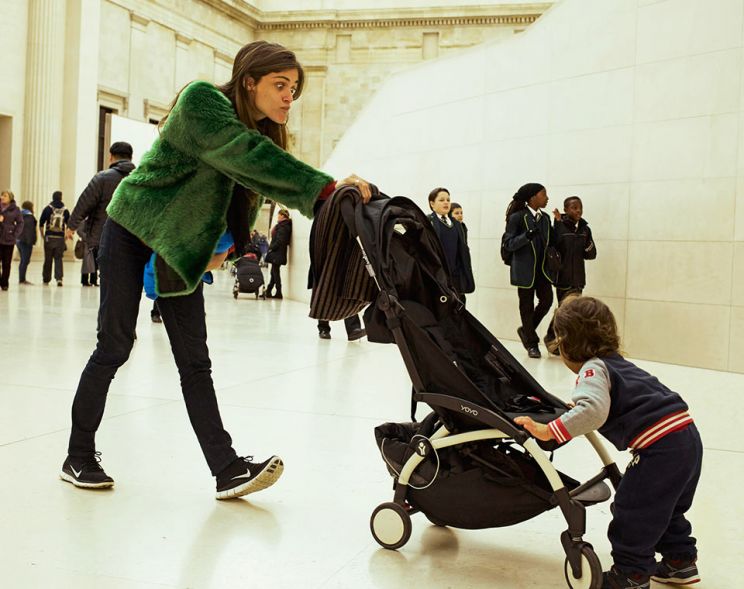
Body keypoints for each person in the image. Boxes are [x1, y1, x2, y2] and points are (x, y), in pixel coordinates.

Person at [60, 40, 372, 500]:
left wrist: (228, 248)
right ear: (249, 81)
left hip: (179, 246)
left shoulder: (261, 134)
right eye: (280, 85)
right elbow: (243, 154)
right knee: (115, 345)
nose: (290, 96)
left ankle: (226, 470)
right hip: (131, 229)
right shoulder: (203, 101)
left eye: (295, 88)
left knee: (195, 361)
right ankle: (78, 455)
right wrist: (326, 190)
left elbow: (247, 193)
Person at [514, 296, 702, 589]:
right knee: (665, 506)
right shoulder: (619, 365)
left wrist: (550, 430)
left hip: (660, 448)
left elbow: (593, 411)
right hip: (686, 438)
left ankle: (631, 574)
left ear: (565, 344)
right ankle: (680, 562)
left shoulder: (593, 369)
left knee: (633, 508)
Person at [67, 141, 136, 288]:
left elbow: (83, 203)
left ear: (110, 157)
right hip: (133, 241)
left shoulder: (102, 178)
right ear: (131, 157)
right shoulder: (138, 179)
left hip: (103, 239)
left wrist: (71, 226)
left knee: (109, 286)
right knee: (127, 285)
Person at [502, 182, 554, 358]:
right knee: (526, 306)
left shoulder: (546, 219)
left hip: (543, 270)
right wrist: (527, 236)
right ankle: (531, 343)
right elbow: (508, 244)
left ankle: (526, 330)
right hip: (524, 271)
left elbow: (552, 242)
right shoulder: (517, 217)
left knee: (547, 300)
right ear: (533, 197)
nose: (547, 198)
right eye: (544, 194)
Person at [544, 196, 597, 352]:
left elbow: (591, 254)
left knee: (567, 311)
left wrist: (586, 243)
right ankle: (552, 339)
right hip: (563, 278)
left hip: (579, 279)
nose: (578, 210)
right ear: (566, 209)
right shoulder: (560, 227)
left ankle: (554, 340)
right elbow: (553, 248)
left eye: (580, 207)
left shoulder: (585, 229)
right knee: (565, 311)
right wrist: (558, 223)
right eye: (574, 207)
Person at [426, 187, 474, 300]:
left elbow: (462, 249)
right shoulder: (427, 222)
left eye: (448, 200)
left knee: (459, 309)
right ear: (432, 204)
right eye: (441, 200)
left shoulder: (457, 224)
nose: (446, 202)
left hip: (456, 277)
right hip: (438, 276)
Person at [39, 190, 70, 286]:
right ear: (61, 197)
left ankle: (46, 279)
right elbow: (69, 224)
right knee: (58, 258)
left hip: (49, 237)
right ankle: (59, 279)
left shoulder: (48, 208)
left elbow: (41, 223)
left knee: (48, 259)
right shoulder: (65, 210)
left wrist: (43, 235)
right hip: (60, 238)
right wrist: (66, 236)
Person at [0, 190, 24, 291]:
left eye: (4, 196)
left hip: (9, 239)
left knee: (6, 263)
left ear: (10, 198)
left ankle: (5, 283)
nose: (2, 197)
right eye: (1, 195)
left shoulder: (15, 209)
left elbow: (20, 223)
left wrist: (15, 234)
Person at [265, 208, 292, 298]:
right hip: (278, 253)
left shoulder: (284, 227)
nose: (277, 216)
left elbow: (280, 241)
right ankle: (269, 291)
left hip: (277, 253)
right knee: (274, 273)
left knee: (275, 273)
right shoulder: (282, 225)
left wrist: (271, 248)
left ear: (283, 216)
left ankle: (278, 292)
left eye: (279, 215)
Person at [16, 200, 37, 285]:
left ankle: (21, 278)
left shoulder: (20, 214)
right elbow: (29, 230)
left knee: (23, 261)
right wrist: (30, 242)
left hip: (18, 240)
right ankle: (22, 279)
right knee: (25, 261)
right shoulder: (29, 216)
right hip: (25, 241)